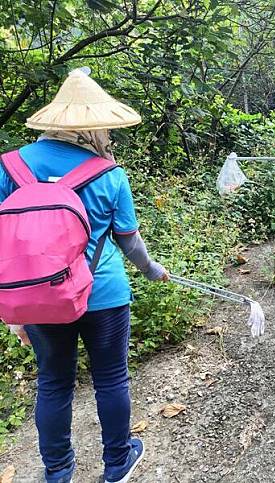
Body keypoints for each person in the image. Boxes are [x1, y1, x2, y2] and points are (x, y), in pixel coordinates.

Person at [0, 68, 168, 483]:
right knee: (111, 378)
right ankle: (117, 464)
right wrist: (152, 271)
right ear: (92, 127)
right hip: (104, 293)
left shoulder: (10, 167)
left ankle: (57, 472)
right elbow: (129, 243)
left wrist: (15, 309)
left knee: (53, 382)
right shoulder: (109, 174)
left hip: (40, 297)